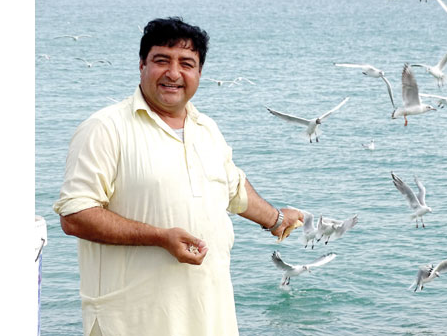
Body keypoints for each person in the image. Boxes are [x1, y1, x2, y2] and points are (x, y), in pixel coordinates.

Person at [53, 17, 303, 336]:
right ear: (142, 64)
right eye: (162, 60)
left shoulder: (206, 129)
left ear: (199, 73)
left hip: (210, 318)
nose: (174, 73)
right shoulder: (105, 128)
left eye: (186, 63)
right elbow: (75, 216)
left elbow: (233, 189)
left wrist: (276, 219)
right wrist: (160, 237)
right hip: (132, 323)